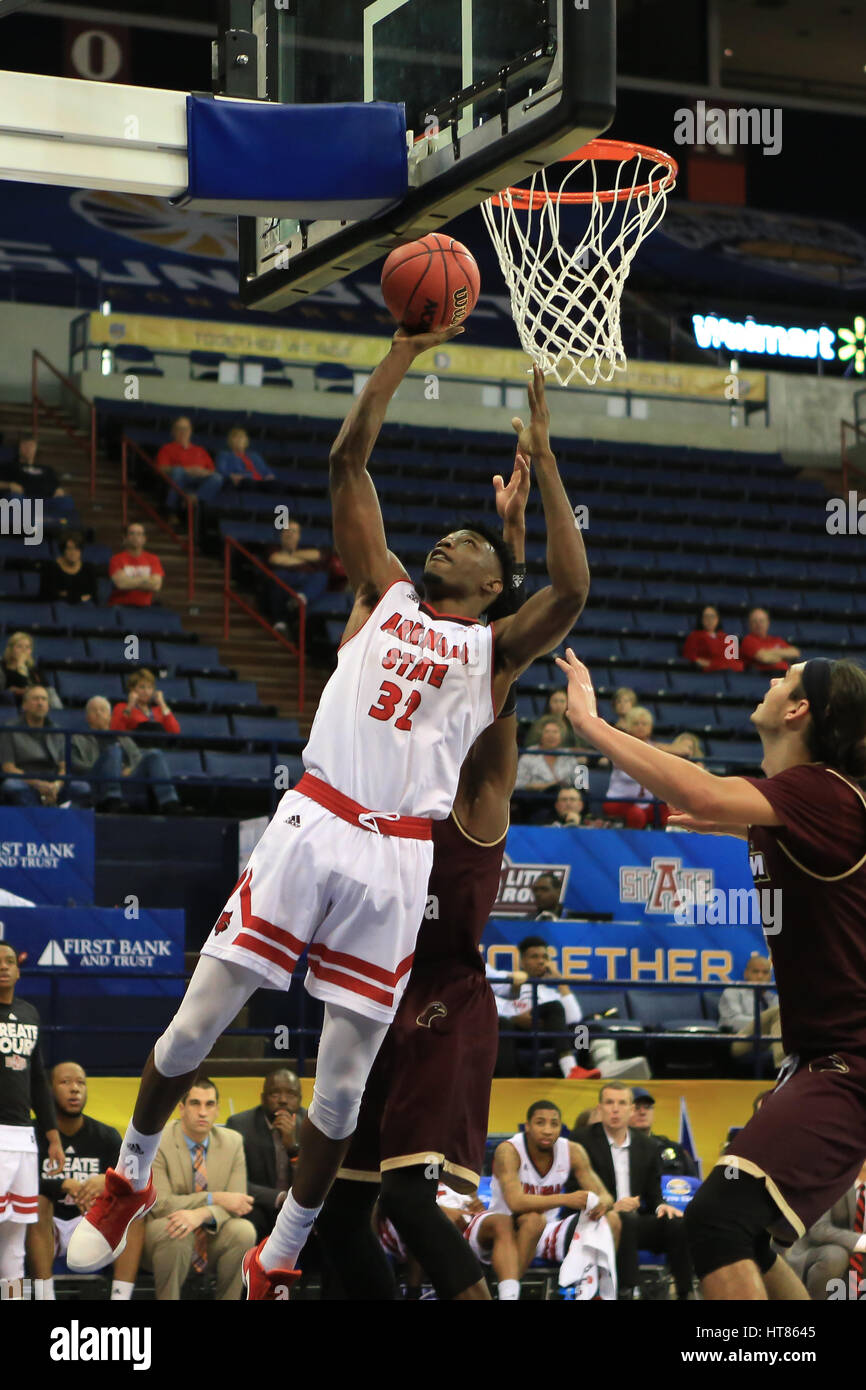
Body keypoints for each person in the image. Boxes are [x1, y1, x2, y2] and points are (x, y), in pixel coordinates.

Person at [69, 341, 589, 1302]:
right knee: (191, 1030)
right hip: (312, 823)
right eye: (446, 536)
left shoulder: (494, 658)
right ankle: (128, 1176)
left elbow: (570, 590)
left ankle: (277, 1257)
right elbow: (350, 460)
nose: (449, 542)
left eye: (470, 544)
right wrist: (405, 347)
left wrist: (548, 463)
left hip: (398, 856)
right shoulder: (383, 588)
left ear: (487, 585)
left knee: (343, 1087)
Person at [555, 646, 866, 1300]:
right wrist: (728, 821)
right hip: (821, 1060)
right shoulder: (801, 808)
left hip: (848, 1065)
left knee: (719, 1221)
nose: (772, 680)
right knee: (739, 1232)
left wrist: (590, 722)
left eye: (784, 678)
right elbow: (712, 801)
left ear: (801, 709)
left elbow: (698, 788)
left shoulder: (822, 793)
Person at [317, 450, 538, 1302]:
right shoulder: (378, 782)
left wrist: (511, 559)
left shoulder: (476, 795)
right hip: (375, 992)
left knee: (409, 1195)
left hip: (445, 999)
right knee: (339, 1211)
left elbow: (503, 671)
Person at [463, 1100, 619, 1299]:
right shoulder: (509, 1150)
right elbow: (515, 1203)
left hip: (546, 1230)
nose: (547, 1130)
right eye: (540, 1123)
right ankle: (507, 1294)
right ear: (527, 1126)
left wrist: (601, 1204)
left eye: (554, 1124)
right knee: (532, 1219)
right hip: (504, 1228)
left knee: (611, 1220)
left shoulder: (572, 1150)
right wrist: (565, 1199)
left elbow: (604, 1195)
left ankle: (595, 1292)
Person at [28, 1061, 142, 1301]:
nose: (74, 1089)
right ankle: (43, 1296)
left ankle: (121, 1297)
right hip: (48, 1228)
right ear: (48, 1090)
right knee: (34, 1205)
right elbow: (15, 1183)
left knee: (135, 1212)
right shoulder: (31, 1133)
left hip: (91, 1225)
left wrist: (108, 1181)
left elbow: (134, 1183)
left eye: (81, 1083)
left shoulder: (106, 1135)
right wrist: (60, 1185)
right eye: (65, 1082)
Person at [573, 1083, 694, 1300]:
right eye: (609, 1103)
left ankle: (684, 1291)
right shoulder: (581, 1141)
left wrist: (660, 1205)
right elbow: (575, 1190)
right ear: (600, 1108)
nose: (615, 1109)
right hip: (595, 1221)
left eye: (622, 1103)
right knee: (625, 1219)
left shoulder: (646, 1145)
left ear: (630, 1109)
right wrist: (611, 1207)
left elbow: (653, 1193)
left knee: (677, 1224)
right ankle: (628, 1291)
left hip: (635, 1222)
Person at [142, 1077, 256, 1301]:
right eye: (195, 1103)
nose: (203, 1112)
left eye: (209, 1104)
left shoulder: (233, 1142)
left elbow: (238, 1204)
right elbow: (160, 1204)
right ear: (181, 1108)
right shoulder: (159, 1141)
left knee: (244, 1231)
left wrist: (201, 1214)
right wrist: (215, 1197)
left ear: (217, 1110)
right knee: (176, 1231)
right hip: (163, 1232)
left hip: (209, 1234)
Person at [0, 942, 64, 1298]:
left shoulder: (29, 1014)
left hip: (24, 1138)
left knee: (15, 1240)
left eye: (10, 960)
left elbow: (39, 1079)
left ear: (19, 970)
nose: (4, 967)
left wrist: (52, 1136)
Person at [493, 936, 598, 1081]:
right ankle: (507, 1079)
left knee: (584, 1030)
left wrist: (559, 980)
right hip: (517, 1034)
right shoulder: (509, 986)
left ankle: (581, 1070)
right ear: (522, 962)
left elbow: (574, 1019)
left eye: (544, 957)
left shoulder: (551, 993)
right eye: (534, 957)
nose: (541, 961)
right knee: (502, 1024)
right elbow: (495, 1013)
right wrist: (514, 1018)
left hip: (546, 1035)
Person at [225, 1068, 307, 1241]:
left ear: (300, 1100)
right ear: (262, 1099)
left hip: (302, 1208)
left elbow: (317, 1180)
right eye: (275, 1093)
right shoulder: (240, 1126)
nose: (283, 1100)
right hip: (260, 1205)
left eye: (291, 1094)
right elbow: (235, 1181)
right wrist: (279, 1198)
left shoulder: (313, 1126)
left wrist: (293, 1148)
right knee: (248, 1218)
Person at [71, 695, 183, 814]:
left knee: (155, 754)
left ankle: (170, 803)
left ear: (110, 716)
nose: (98, 713)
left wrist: (130, 768)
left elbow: (137, 758)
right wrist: (107, 769)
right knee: (114, 750)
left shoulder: (122, 738)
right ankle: (112, 801)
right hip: (98, 781)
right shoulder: (77, 739)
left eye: (102, 710)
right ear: (87, 717)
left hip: (127, 780)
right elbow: (75, 764)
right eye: (94, 710)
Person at [786, 1160, 866, 1299]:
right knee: (836, 1256)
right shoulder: (830, 1179)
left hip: (858, 1262)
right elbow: (818, 1230)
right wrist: (862, 1242)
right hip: (816, 1250)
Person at [1, 686, 90, 806]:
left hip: (53, 781)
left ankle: (56, 812)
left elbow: (63, 767)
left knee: (82, 787)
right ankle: (39, 814)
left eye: (44, 699)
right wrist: (38, 784)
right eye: (35, 699)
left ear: (48, 705)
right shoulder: (9, 729)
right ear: (24, 705)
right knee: (11, 786)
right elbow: (8, 768)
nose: (40, 703)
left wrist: (56, 786)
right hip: (26, 781)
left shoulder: (57, 730)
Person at [602, 706, 668, 829]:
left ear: (650, 727)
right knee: (636, 814)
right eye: (636, 723)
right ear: (628, 726)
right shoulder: (620, 747)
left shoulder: (655, 749)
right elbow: (634, 773)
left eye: (644, 723)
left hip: (646, 803)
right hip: (619, 802)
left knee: (670, 812)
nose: (640, 726)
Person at [718, 953, 782, 1071]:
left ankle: (783, 1075)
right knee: (777, 1014)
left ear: (770, 976)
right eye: (755, 972)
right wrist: (764, 1022)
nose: (760, 976)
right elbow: (731, 1021)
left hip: (768, 1042)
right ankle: (783, 1072)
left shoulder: (774, 998)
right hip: (742, 1041)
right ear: (746, 974)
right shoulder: (733, 992)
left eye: (765, 972)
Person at [628, 1087, 700, 1179]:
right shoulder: (619, 1149)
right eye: (636, 1108)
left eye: (647, 1107)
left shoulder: (674, 1149)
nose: (642, 1112)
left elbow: (694, 1184)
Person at [155, 417, 223, 513]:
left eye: (186, 429)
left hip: (199, 480)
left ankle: (193, 499)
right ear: (173, 432)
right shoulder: (166, 449)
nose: (183, 432)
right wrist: (187, 470)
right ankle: (171, 509)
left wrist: (203, 472)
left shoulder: (200, 450)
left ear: (190, 431)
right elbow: (161, 469)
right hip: (180, 479)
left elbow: (212, 470)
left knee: (217, 477)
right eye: (179, 429)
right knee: (178, 471)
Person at [515, 719, 583, 790]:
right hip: (536, 797)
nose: (551, 735)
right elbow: (518, 784)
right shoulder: (529, 754)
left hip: (565, 797)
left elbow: (580, 784)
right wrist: (545, 786)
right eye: (547, 732)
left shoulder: (567, 754)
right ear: (540, 736)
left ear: (561, 737)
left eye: (555, 732)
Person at [108, 523, 165, 608]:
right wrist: (146, 579)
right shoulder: (116, 559)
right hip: (120, 607)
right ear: (125, 538)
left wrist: (129, 580)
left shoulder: (153, 559)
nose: (136, 537)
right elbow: (121, 584)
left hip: (145, 607)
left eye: (139, 534)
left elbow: (156, 585)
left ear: (144, 539)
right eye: (132, 533)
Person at [111, 669, 180, 736]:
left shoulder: (159, 710)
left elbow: (175, 732)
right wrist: (130, 706)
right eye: (142, 687)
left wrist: (162, 704)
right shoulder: (121, 707)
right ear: (132, 689)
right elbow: (116, 731)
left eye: (149, 688)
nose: (146, 692)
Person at [682, 604, 744, 673]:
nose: (710, 620)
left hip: (731, 673)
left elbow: (735, 660)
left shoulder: (727, 637)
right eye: (706, 617)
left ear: (717, 619)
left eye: (712, 617)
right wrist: (713, 665)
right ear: (701, 619)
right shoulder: (694, 636)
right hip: (710, 674)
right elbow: (691, 658)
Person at [0, 631, 55, 708]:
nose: (24, 650)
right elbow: (19, 686)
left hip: (37, 703)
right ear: (11, 649)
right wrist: (21, 665)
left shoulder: (34, 670)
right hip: (13, 705)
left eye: (27, 647)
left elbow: (45, 689)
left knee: (50, 691)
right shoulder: (2, 667)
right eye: (19, 646)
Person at [40, 533, 97, 605]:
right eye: (69, 548)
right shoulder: (50, 568)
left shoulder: (88, 569)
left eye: (77, 548)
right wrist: (79, 597)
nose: (73, 553)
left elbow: (94, 597)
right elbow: (48, 597)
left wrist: (66, 594)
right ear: (63, 550)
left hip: (84, 610)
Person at [740, 607, 801, 675]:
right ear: (749, 624)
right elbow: (764, 658)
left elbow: (795, 652)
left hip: (785, 677)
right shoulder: (748, 640)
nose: (758, 624)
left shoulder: (776, 640)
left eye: (761, 621)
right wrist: (783, 656)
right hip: (763, 678)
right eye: (754, 621)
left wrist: (770, 652)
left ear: (768, 623)